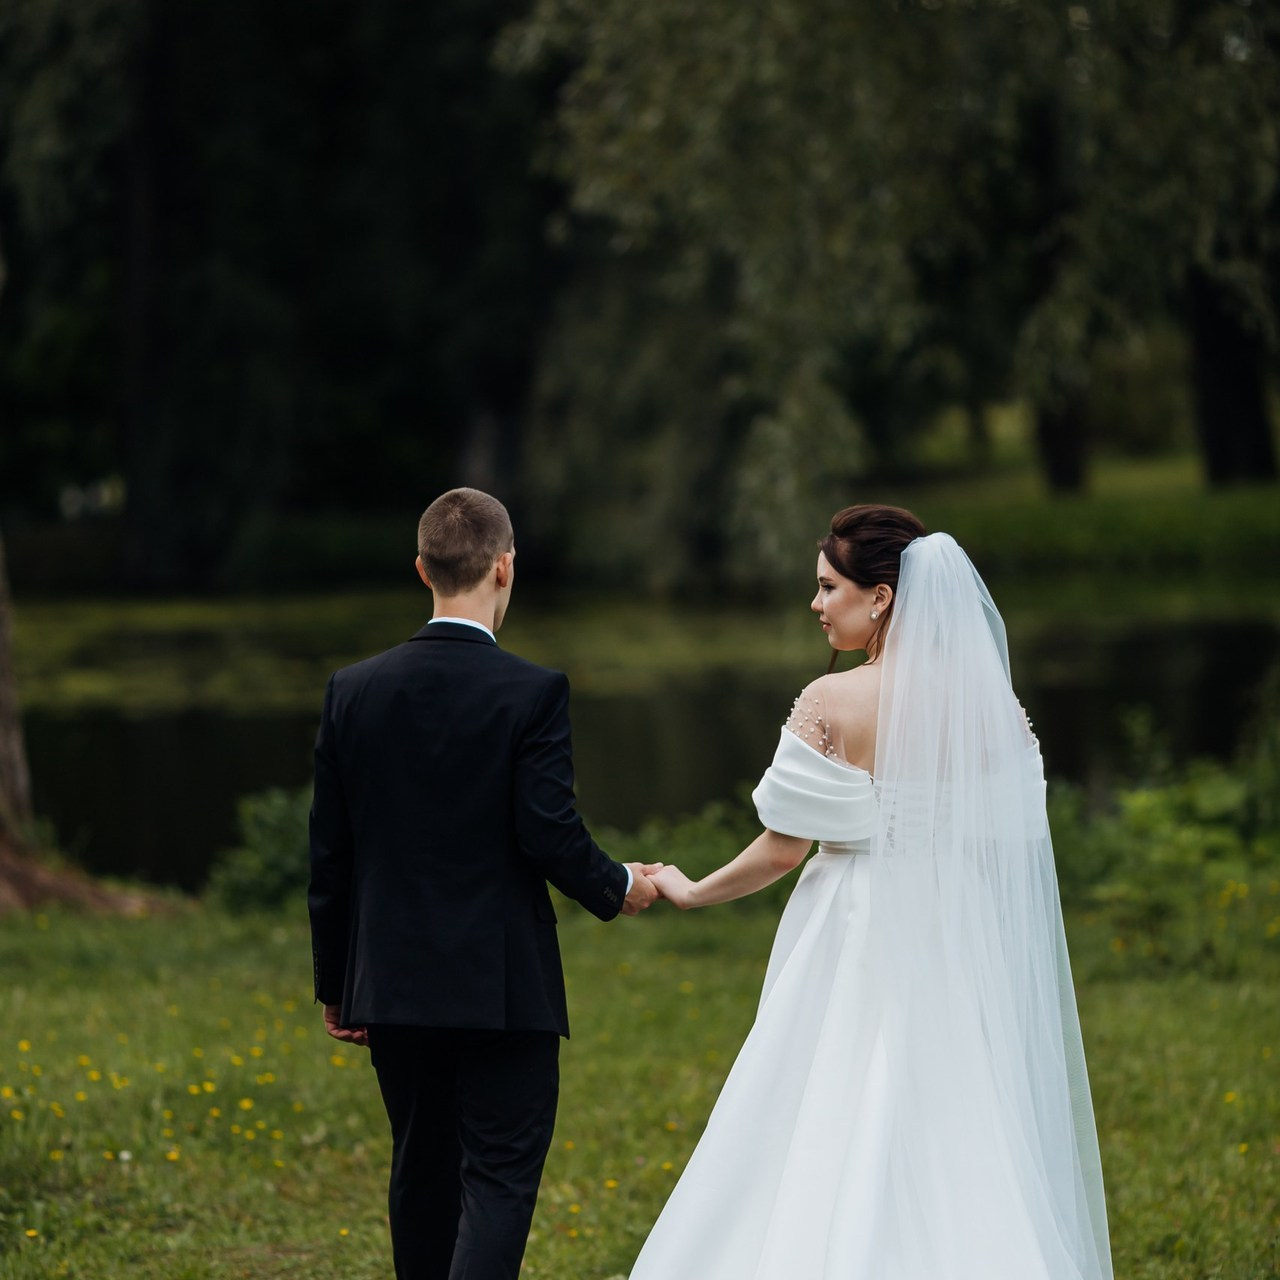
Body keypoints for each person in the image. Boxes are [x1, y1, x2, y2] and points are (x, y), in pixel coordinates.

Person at [638, 504, 1114, 1280]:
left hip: (853, 927)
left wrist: (690, 892)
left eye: (829, 587)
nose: (817, 604)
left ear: (881, 597)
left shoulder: (833, 702)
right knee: (952, 1109)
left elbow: (783, 849)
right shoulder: (987, 706)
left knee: (830, 1095)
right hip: (951, 932)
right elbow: (1013, 835)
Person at [307, 487, 662, 1280]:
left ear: (423, 569)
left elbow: (329, 857)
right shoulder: (532, 692)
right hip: (501, 990)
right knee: (498, 1179)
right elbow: (548, 833)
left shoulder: (352, 691)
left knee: (422, 1170)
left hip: (391, 983)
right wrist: (619, 886)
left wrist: (339, 983)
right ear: (504, 567)